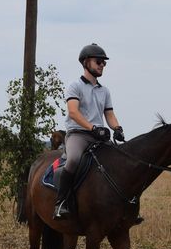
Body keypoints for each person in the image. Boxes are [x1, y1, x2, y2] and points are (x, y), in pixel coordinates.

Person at [53, 43, 125, 220]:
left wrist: (117, 128)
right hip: (78, 134)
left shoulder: (104, 91)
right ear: (86, 62)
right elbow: (73, 112)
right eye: (99, 61)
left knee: (120, 161)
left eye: (104, 63)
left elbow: (109, 114)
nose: (102, 65)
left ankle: (125, 207)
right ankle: (61, 203)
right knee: (74, 160)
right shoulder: (75, 86)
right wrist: (92, 128)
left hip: (98, 136)